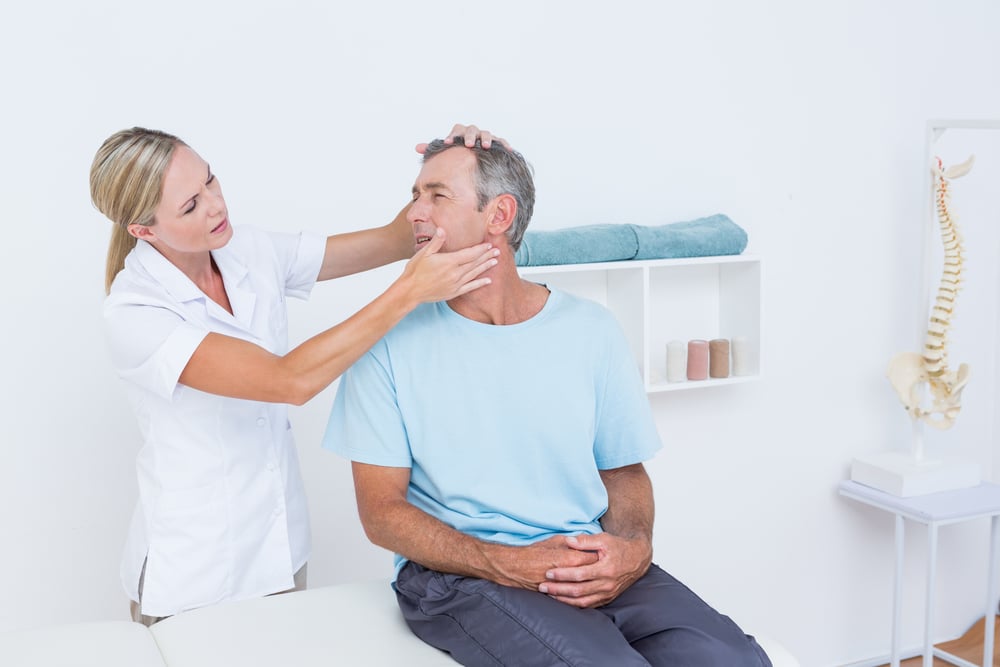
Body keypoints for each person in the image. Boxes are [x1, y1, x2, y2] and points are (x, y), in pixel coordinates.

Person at [323, 138, 772, 666]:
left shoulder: (591, 331)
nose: (414, 213)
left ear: (500, 214)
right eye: (415, 194)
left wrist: (631, 549)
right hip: (460, 576)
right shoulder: (385, 344)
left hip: (583, 555)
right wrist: (504, 562)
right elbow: (381, 514)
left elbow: (624, 473)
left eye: (436, 195)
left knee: (735, 661)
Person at [91, 124, 503, 625]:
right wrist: (408, 292)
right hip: (194, 575)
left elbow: (395, 239)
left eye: (211, 181)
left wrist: (458, 160)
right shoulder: (136, 313)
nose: (216, 206)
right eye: (190, 206)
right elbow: (290, 381)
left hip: (279, 553)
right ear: (144, 231)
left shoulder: (246, 249)